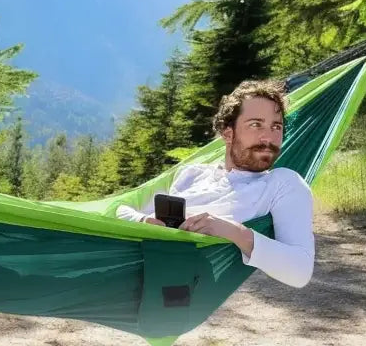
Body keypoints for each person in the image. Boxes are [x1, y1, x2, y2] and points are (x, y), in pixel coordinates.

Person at [116, 79, 314, 288]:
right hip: (134, 269)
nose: (268, 137)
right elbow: (121, 210)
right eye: (256, 124)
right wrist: (143, 221)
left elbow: (300, 271)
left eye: (276, 126)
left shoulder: (283, 183)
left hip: (184, 290)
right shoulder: (191, 174)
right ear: (228, 133)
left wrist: (234, 233)